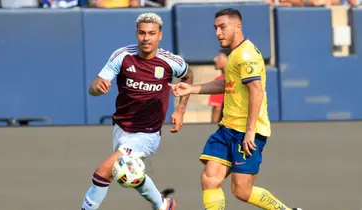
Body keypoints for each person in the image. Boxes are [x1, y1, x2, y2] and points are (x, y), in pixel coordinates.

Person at [169, 8, 301, 210]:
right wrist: (193, 88)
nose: (218, 33)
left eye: (222, 27)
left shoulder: (247, 55)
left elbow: (256, 91)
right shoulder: (234, 55)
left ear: (237, 26)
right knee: (210, 178)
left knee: (241, 191)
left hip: (247, 132)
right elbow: (227, 85)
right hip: (227, 129)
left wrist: (249, 131)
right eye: (215, 28)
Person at [81, 12, 193, 210]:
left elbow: (188, 77)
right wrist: (97, 87)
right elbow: (93, 88)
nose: (146, 38)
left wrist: (180, 111)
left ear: (160, 35)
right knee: (130, 175)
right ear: (136, 34)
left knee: (104, 171)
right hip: (121, 128)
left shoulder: (170, 62)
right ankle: (162, 205)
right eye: (142, 33)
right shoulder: (122, 56)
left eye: (151, 33)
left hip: (147, 134)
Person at [209, 49, 229, 123]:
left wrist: (212, 128)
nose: (215, 59)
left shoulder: (221, 80)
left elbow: (217, 107)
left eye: (219, 57)